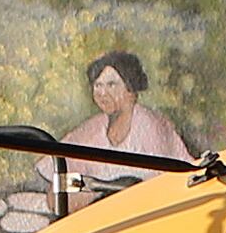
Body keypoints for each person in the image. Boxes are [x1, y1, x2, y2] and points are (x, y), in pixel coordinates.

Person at [72, 50, 193, 192]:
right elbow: (60, 172)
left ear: (131, 89)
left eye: (111, 85)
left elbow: (161, 187)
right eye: (98, 85)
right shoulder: (93, 127)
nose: (102, 93)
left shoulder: (150, 126)